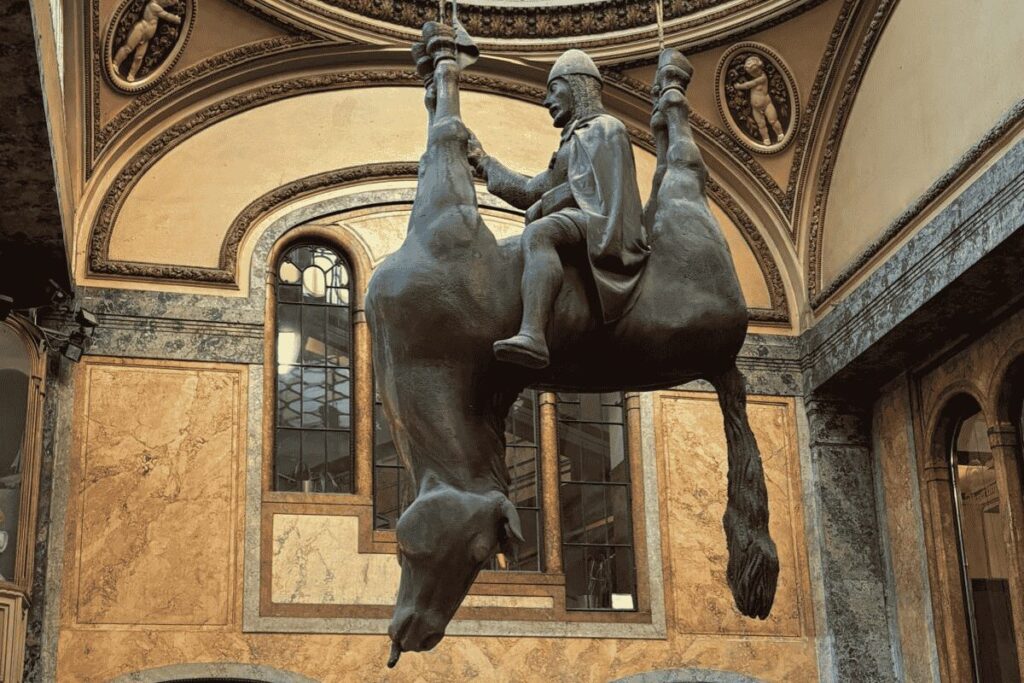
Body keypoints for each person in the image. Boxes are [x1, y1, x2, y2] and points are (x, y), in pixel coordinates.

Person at [468, 49, 649, 369]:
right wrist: (483, 160)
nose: (546, 100)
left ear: (577, 86)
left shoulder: (607, 128)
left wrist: (546, 205)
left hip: (606, 225)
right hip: (584, 220)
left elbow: (602, 194)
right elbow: (529, 190)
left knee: (540, 233)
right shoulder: (570, 143)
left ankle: (533, 334)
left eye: (553, 89)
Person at [112, 0, 183, 83]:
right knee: (128, 48)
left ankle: (132, 74)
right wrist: (176, 19)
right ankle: (116, 63)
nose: (167, 4)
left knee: (139, 56)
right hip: (140, 30)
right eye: (167, 1)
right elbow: (166, 15)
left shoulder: (158, 6)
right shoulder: (153, 5)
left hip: (147, 37)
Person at [734, 55, 784, 146]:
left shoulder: (762, 78)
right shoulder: (756, 77)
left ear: (760, 67)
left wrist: (738, 86)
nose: (754, 74)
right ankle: (766, 139)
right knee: (761, 125)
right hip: (755, 108)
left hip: (767, 104)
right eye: (752, 73)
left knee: (773, 121)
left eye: (756, 71)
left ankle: (780, 133)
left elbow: (749, 85)